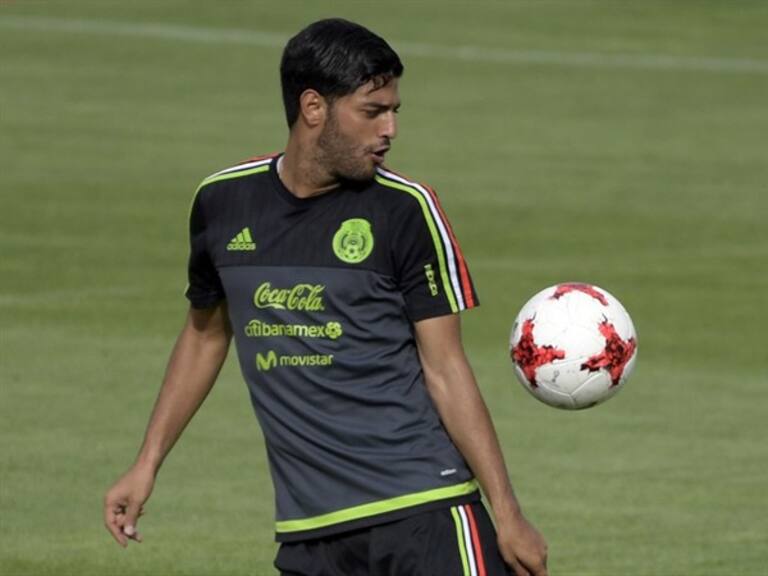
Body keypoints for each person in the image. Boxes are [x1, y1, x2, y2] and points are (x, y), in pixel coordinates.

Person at [103, 18, 548, 576]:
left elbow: (446, 368)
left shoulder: (406, 210)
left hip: (424, 512)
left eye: (394, 111)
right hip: (310, 530)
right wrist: (147, 464)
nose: (389, 129)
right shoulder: (223, 202)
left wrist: (507, 514)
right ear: (314, 107)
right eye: (371, 111)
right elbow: (205, 334)